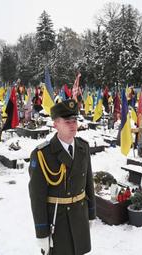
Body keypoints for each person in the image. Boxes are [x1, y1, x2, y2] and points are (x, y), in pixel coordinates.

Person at [28, 99, 96, 255]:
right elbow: (37, 197)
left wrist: (91, 213)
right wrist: (42, 233)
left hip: (79, 215)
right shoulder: (42, 154)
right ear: (55, 124)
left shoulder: (83, 147)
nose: (73, 125)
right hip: (58, 221)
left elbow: (88, 183)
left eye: (75, 120)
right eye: (67, 121)